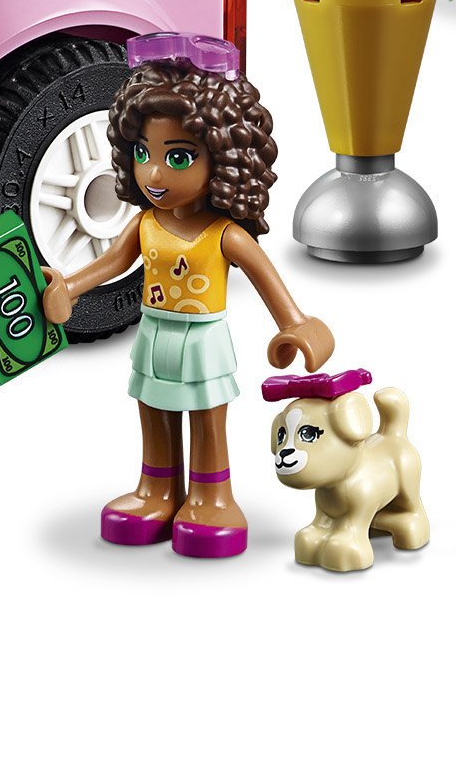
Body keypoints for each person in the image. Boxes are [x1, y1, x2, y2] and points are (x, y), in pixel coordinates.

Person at [43, 33, 335, 558]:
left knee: (206, 417)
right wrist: (69, 286)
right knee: (151, 410)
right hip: (154, 333)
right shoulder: (145, 223)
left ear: (223, 158)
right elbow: (111, 264)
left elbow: (268, 282)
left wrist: (295, 325)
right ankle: (156, 490)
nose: (154, 174)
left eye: (178, 157)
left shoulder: (226, 235)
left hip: (202, 340)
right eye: (142, 153)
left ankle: (211, 496)